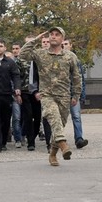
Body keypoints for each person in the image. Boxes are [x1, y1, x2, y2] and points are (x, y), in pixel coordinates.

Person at [21, 27, 82, 166]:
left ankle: (53, 154)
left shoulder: (70, 56)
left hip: (64, 96)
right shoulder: (40, 54)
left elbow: (77, 77)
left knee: (58, 125)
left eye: (57, 35)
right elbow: (23, 55)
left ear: (62, 39)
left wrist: (76, 94)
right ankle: (63, 144)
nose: (53, 37)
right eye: (51, 34)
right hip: (47, 95)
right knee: (53, 117)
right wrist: (36, 40)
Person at [62, 39, 88, 149]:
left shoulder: (76, 60)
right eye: (62, 44)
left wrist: (80, 95)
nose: (64, 46)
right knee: (59, 119)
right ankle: (57, 141)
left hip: (73, 95)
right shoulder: (57, 60)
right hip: (61, 94)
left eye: (66, 44)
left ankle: (79, 139)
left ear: (71, 46)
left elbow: (80, 79)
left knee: (76, 116)